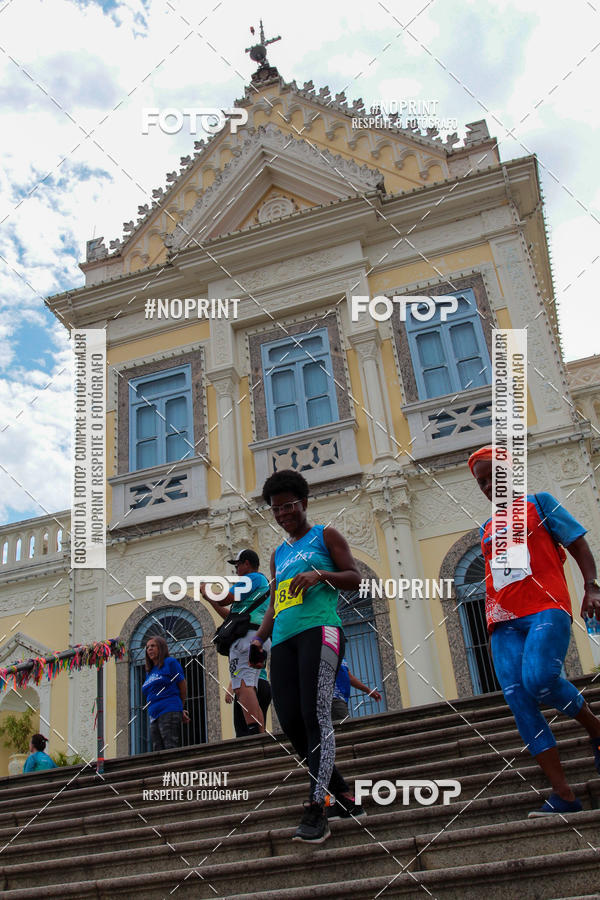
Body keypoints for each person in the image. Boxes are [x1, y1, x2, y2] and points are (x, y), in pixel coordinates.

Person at [468, 445, 600, 816]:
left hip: (546, 606)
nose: (488, 486)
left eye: (493, 475)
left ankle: (594, 727)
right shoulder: (486, 528)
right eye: (481, 482)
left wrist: (592, 586)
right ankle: (563, 795)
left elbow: (578, 544)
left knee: (539, 678)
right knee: (520, 701)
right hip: (501, 620)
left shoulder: (540, 504)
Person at [250, 469, 363, 843]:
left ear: (304, 503)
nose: (283, 514)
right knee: (292, 724)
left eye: (289, 506)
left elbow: (354, 576)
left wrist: (320, 575)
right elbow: (274, 602)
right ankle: (343, 790)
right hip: (283, 641)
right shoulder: (278, 554)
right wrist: (259, 640)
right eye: (276, 509)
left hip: (321, 632)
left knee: (316, 716)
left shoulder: (324, 536)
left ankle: (319, 805)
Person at [201, 549, 270, 735]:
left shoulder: (252, 579)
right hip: (254, 635)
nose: (236, 570)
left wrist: (208, 591)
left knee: (242, 686)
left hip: (247, 637)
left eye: (238, 565)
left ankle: (253, 731)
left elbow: (224, 599)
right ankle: (260, 732)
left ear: (247, 563)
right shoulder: (256, 585)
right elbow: (231, 617)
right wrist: (210, 599)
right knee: (248, 684)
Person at [142, 635, 190, 751]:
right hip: (154, 715)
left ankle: (172, 769)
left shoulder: (170, 663)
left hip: (169, 708)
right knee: (157, 749)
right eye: (147, 647)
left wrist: (179, 707)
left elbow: (182, 685)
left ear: (161, 648)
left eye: (153, 646)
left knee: (170, 745)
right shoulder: (150, 671)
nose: (149, 649)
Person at [332, 658, 383, 722]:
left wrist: (368, 690)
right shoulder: (327, 652)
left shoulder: (341, 657)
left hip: (342, 699)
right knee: (346, 728)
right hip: (334, 699)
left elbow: (350, 678)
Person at [227, 669, 272, 738]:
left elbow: (239, 664)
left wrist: (231, 685)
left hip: (247, 684)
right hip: (263, 683)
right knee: (258, 729)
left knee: (243, 732)